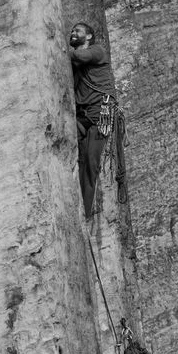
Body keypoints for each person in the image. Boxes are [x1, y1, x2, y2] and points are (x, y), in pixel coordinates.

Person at [69, 21, 116, 218]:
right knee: (78, 158)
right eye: (72, 31)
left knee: (91, 160)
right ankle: (76, 201)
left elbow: (81, 55)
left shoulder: (97, 51)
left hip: (104, 111)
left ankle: (85, 213)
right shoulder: (75, 65)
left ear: (88, 36)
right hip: (84, 114)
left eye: (77, 31)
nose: (73, 33)